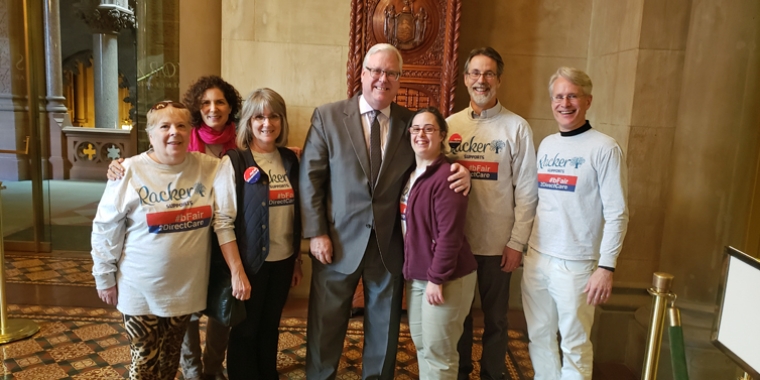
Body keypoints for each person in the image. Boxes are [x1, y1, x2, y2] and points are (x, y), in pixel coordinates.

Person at [299, 43, 471, 380]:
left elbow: (433, 157)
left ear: (399, 79)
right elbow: (310, 177)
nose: (383, 78)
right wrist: (317, 233)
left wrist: (458, 169)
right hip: (336, 241)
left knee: (384, 329)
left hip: (389, 244)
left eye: (391, 73)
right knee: (326, 324)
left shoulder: (411, 123)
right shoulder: (329, 116)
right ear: (362, 74)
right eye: (376, 71)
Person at [108, 76, 246, 380]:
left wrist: (287, 151)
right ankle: (194, 371)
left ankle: (210, 370)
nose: (213, 108)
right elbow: (108, 223)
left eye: (220, 101)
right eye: (205, 103)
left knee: (210, 319)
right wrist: (122, 165)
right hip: (164, 262)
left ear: (230, 107)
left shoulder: (238, 146)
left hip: (214, 248)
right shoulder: (170, 150)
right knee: (156, 349)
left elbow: (261, 156)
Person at [522, 67, 628, 380]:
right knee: (539, 337)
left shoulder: (605, 148)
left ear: (588, 100)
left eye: (572, 96)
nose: (564, 103)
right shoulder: (547, 144)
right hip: (537, 258)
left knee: (575, 344)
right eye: (558, 96)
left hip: (578, 266)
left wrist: (606, 268)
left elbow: (618, 212)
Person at [448, 47, 538, 380]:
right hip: (459, 243)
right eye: (475, 73)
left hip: (499, 245)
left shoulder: (517, 129)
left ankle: (492, 374)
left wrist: (517, 243)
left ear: (499, 80)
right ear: (465, 79)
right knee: (459, 318)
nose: (481, 80)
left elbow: (528, 191)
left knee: (497, 320)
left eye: (488, 74)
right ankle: (459, 372)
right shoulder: (450, 125)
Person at [224, 88, 303, 379]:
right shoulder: (235, 161)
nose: (267, 123)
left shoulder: (290, 160)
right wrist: (236, 271)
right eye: (259, 117)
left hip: (282, 261)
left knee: (271, 327)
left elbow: (296, 215)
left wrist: (296, 261)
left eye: (273, 117)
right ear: (248, 121)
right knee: (246, 330)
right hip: (249, 264)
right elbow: (223, 222)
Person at [401, 107, 478, 380]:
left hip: (446, 278)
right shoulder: (410, 174)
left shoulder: (448, 176)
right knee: (423, 346)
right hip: (419, 277)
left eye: (429, 128)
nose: (421, 134)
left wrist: (437, 277)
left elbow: (450, 235)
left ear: (442, 135)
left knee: (440, 354)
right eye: (416, 128)